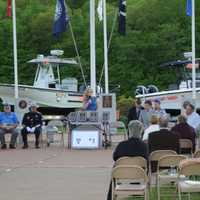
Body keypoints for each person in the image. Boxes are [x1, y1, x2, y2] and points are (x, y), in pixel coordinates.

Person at [107, 120, 148, 200]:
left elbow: (115, 157)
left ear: (129, 131)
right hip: (139, 174)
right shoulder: (144, 146)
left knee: (115, 168)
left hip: (121, 173)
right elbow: (147, 159)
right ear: (141, 131)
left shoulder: (122, 145)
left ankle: (110, 197)